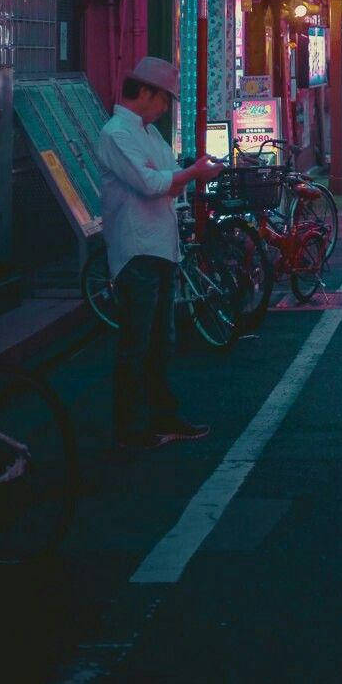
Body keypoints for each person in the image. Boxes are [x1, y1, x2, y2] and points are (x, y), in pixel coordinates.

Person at [97, 56, 225, 451]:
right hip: (137, 250)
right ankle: (133, 430)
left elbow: (166, 182)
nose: (167, 107)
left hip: (159, 247)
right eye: (165, 99)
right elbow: (153, 183)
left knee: (158, 341)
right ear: (147, 93)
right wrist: (190, 174)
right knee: (138, 342)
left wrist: (184, 176)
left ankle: (159, 418)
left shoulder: (148, 134)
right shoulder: (117, 133)